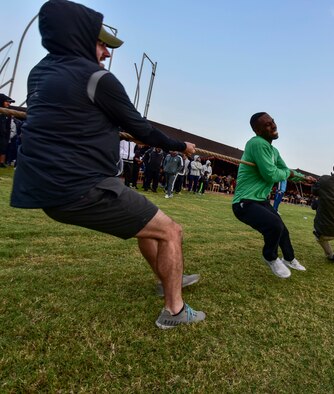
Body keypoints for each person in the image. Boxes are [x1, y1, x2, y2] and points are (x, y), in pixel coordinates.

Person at [10, 0, 204, 329]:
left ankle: (166, 279)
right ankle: (174, 311)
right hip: (84, 187)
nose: (107, 53)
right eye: (102, 44)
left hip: (47, 191)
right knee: (171, 231)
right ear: (79, 39)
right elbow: (142, 130)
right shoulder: (98, 79)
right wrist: (181, 147)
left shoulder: (39, 74)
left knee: (148, 225)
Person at [232, 112, 315, 278]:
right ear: (257, 130)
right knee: (275, 225)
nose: (273, 125)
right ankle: (270, 256)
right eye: (267, 125)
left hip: (261, 200)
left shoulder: (273, 151)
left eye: (273, 121)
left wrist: (304, 178)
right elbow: (270, 174)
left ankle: (289, 259)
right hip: (245, 202)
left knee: (283, 230)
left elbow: (285, 170)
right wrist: (287, 173)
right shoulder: (257, 143)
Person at [0, 93, 16, 167]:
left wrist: (7, 136)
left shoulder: (8, 113)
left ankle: (1, 163)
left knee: (3, 148)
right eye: (7, 101)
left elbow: (8, 126)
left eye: (9, 102)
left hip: (3, 135)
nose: (9, 103)